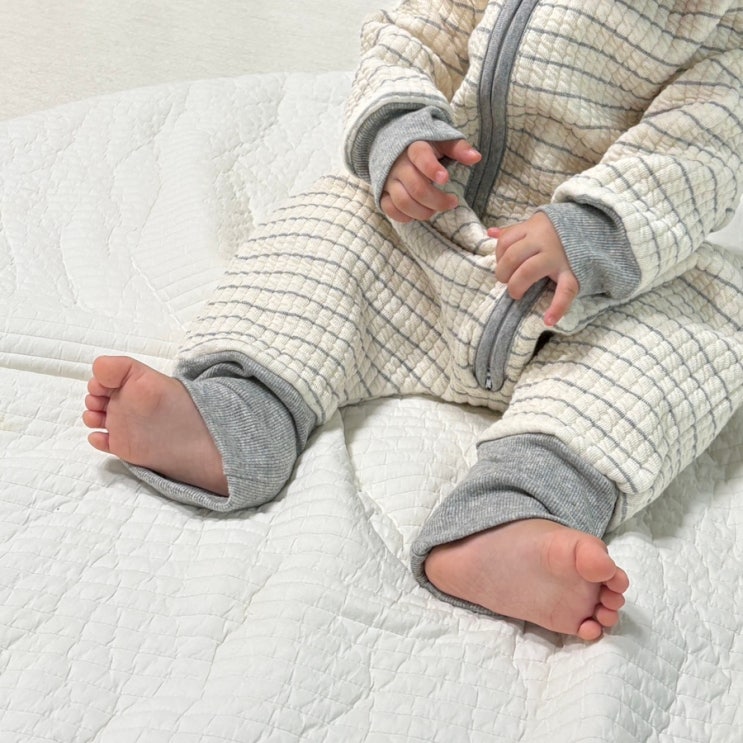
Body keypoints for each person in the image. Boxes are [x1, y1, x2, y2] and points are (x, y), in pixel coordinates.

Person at [83, 0, 743, 640]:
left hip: (589, 300)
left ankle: (516, 509)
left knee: (703, 327)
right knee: (335, 219)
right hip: (435, 234)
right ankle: (235, 410)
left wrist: (592, 229)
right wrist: (399, 135)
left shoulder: (723, 27)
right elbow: (409, 36)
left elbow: (703, 152)